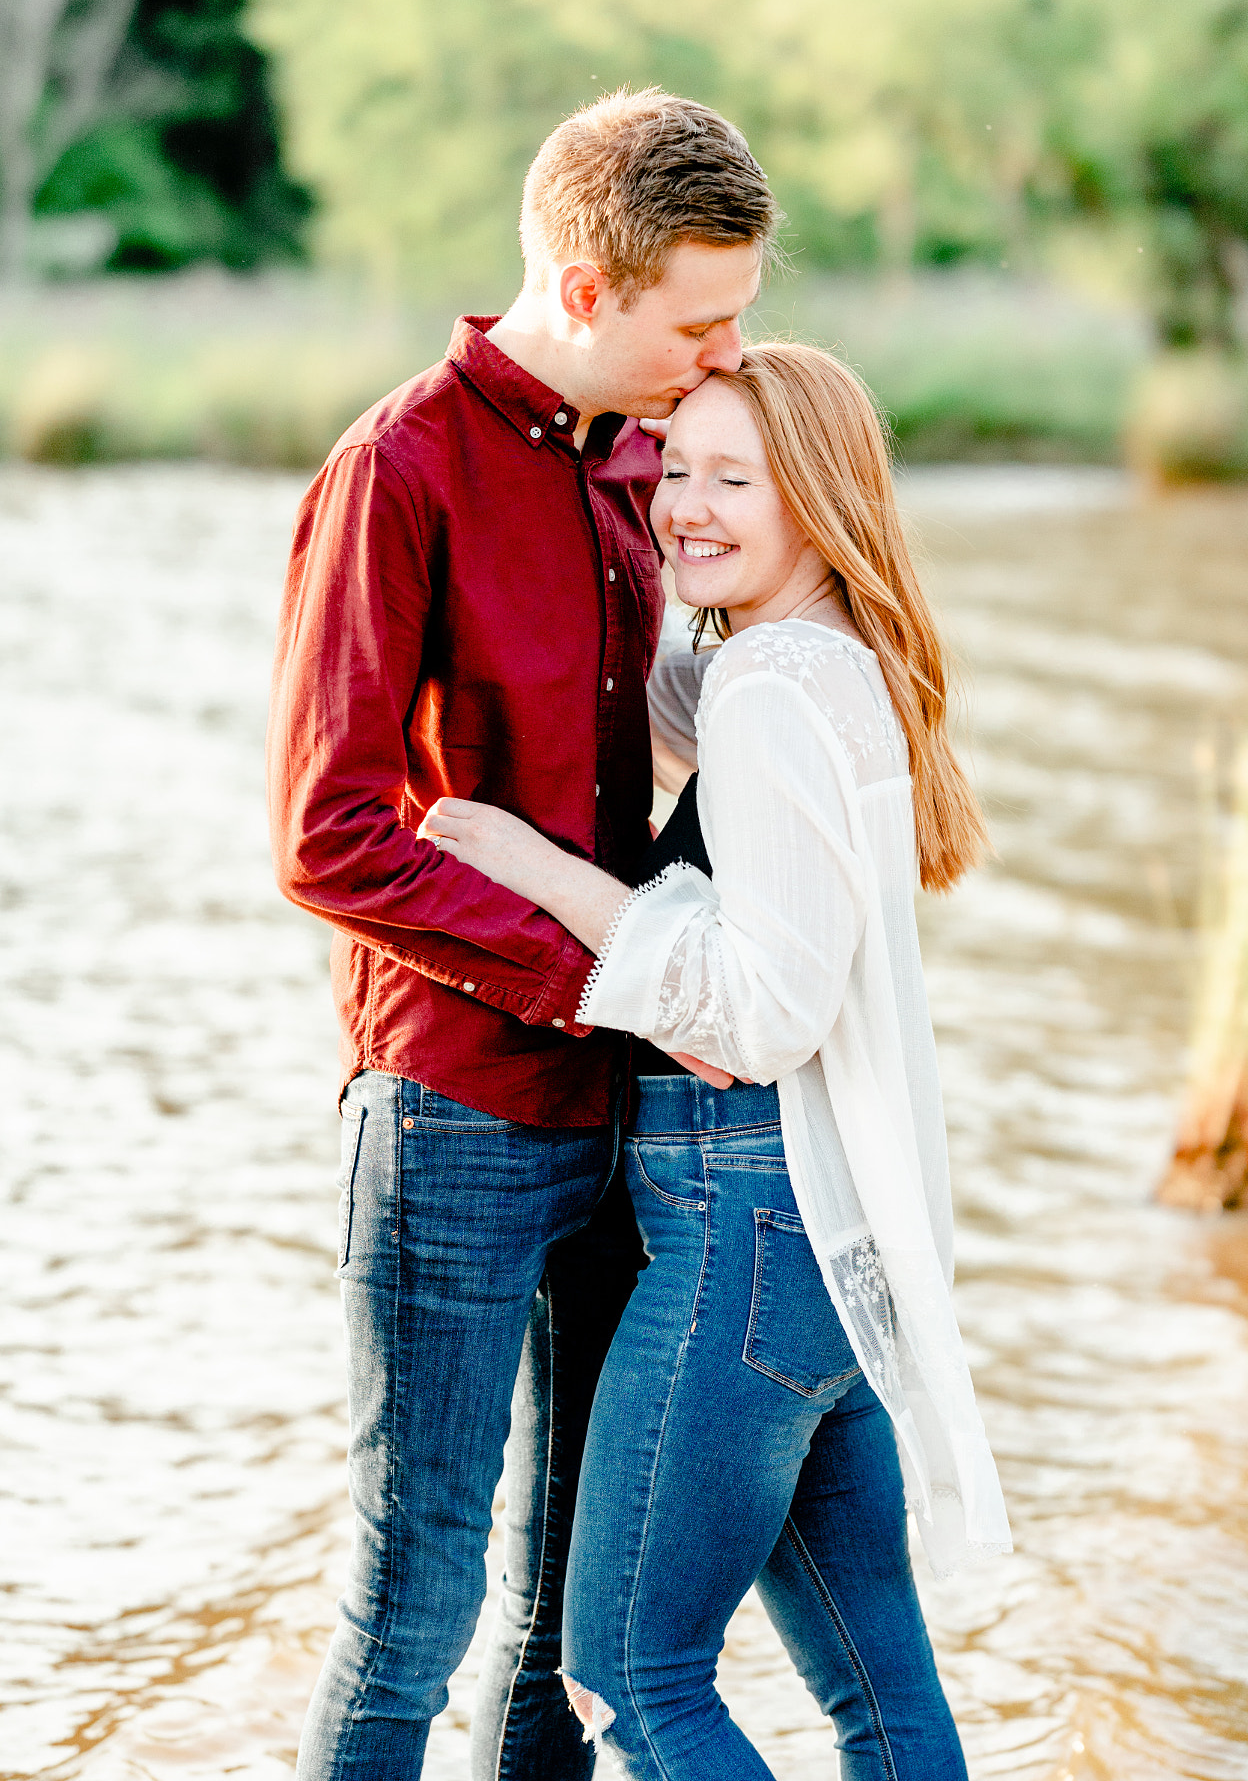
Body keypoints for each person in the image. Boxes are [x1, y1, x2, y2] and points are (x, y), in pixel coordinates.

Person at [267, 87, 779, 1781]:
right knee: (407, 1605)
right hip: (454, 1118)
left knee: (568, 1625)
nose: (721, 357)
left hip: (639, 1119)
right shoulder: (392, 473)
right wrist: (596, 974)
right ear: (582, 282)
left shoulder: (649, 464)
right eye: (696, 321)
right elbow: (325, 840)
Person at [422, 341, 1013, 1776]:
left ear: (814, 497)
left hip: (743, 1223)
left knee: (629, 1669)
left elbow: (763, 1012)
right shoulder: (813, 662)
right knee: (876, 1686)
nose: (683, 502)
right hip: (824, 1235)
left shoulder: (766, 693)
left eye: (730, 477)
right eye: (670, 468)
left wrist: (538, 867)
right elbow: (646, 695)